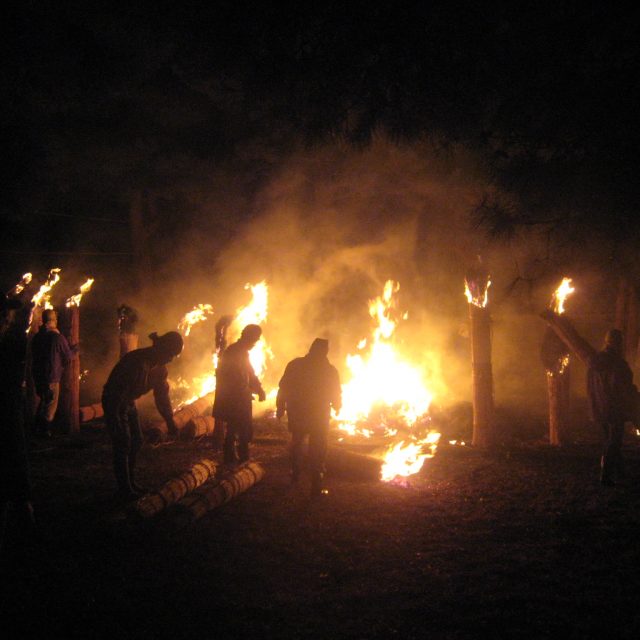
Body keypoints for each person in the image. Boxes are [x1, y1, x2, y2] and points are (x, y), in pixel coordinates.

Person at [102, 331, 183, 500]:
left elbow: (162, 396)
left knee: (137, 440)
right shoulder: (137, 362)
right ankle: (125, 489)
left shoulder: (160, 369)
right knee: (123, 443)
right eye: (171, 354)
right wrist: (115, 418)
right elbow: (117, 392)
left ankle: (131, 482)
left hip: (128, 402)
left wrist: (170, 420)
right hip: (115, 401)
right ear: (163, 349)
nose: (171, 359)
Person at [276, 338, 342, 497]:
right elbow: (335, 391)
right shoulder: (329, 370)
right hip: (319, 414)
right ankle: (316, 480)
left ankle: (295, 472)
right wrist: (338, 405)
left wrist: (280, 406)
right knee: (318, 446)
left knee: (297, 441)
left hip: (298, 412)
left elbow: (283, 387)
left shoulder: (296, 365)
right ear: (325, 351)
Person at [0, 294, 38, 550]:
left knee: (16, 485)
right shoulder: (10, 346)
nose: (8, 317)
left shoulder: (9, 343)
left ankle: (29, 538)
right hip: (6, 423)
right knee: (12, 483)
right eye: (6, 313)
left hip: (11, 420)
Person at [587, 329, 637, 486]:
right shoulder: (618, 364)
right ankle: (606, 476)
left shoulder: (594, 361)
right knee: (614, 442)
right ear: (618, 343)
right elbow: (624, 389)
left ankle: (620, 472)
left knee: (610, 441)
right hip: (614, 409)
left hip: (600, 409)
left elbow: (590, 387)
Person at [212, 324, 266, 466]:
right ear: (248, 337)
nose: (255, 343)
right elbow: (231, 377)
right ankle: (234, 458)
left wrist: (258, 389)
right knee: (236, 427)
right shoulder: (234, 352)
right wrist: (245, 391)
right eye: (255, 339)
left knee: (240, 428)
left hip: (240, 397)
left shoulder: (241, 352)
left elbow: (250, 373)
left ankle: (240, 457)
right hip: (234, 398)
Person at [30, 308, 78, 437]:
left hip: (38, 376)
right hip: (52, 377)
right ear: (51, 320)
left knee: (43, 401)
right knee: (50, 407)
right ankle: (45, 432)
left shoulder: (37, 337)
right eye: (55, 319)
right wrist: (76, 350)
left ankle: (36, 429)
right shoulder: (57, 337)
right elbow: (67, 357)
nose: (57, 321)